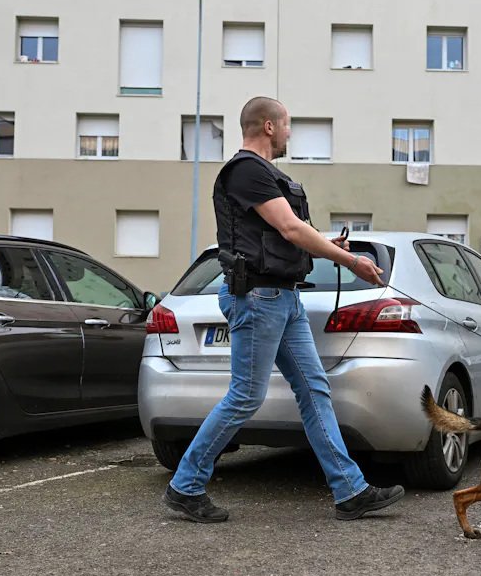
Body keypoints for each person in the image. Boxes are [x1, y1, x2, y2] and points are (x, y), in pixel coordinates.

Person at [163, 96, 405, 523]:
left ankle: (350, 491)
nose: (290, 133)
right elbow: (290, 227)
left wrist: (327, 245)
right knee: (245, 396)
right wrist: (350, 261)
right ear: (269, 126)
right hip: (259, 298)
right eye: (287, 125)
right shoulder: (246, 170)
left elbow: (284, 234)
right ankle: (186, 486)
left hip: (283, 298)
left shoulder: (266, 175)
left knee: (314, 389)